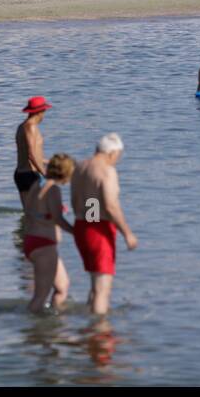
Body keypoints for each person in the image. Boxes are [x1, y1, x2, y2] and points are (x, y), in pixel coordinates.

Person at [70, 133, 137, 316]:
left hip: (82, 226)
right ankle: (99, 334)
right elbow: (110, 205)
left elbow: (78, 201)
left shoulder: (81, 166)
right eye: (118, 156)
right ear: (112, 153)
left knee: (94, 285)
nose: (117, 160)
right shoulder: (107, 171)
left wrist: (91, 220)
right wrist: (127, 233)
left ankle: (89, 329)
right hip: (98, 231)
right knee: (102, 290)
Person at [22, 153, 76, 314]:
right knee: (40, 296)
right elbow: (58, 220)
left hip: (32, 242)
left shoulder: (36, 186)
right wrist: (77, 233)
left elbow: (30, 214)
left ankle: (53, 324)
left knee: (62, 286)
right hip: (44, 245)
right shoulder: (53, 190)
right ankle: (32, 330)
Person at [15, 96, 51, 205]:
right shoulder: (31, 127)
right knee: (38, 212)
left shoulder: (21, 127)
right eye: (44, 111)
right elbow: (31, 154)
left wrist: (50, 162)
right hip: (30, 174)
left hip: (20, 173)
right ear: (40, 112)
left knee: (28, 213)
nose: (44, 115)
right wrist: (43, 172)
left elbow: (26, 154)